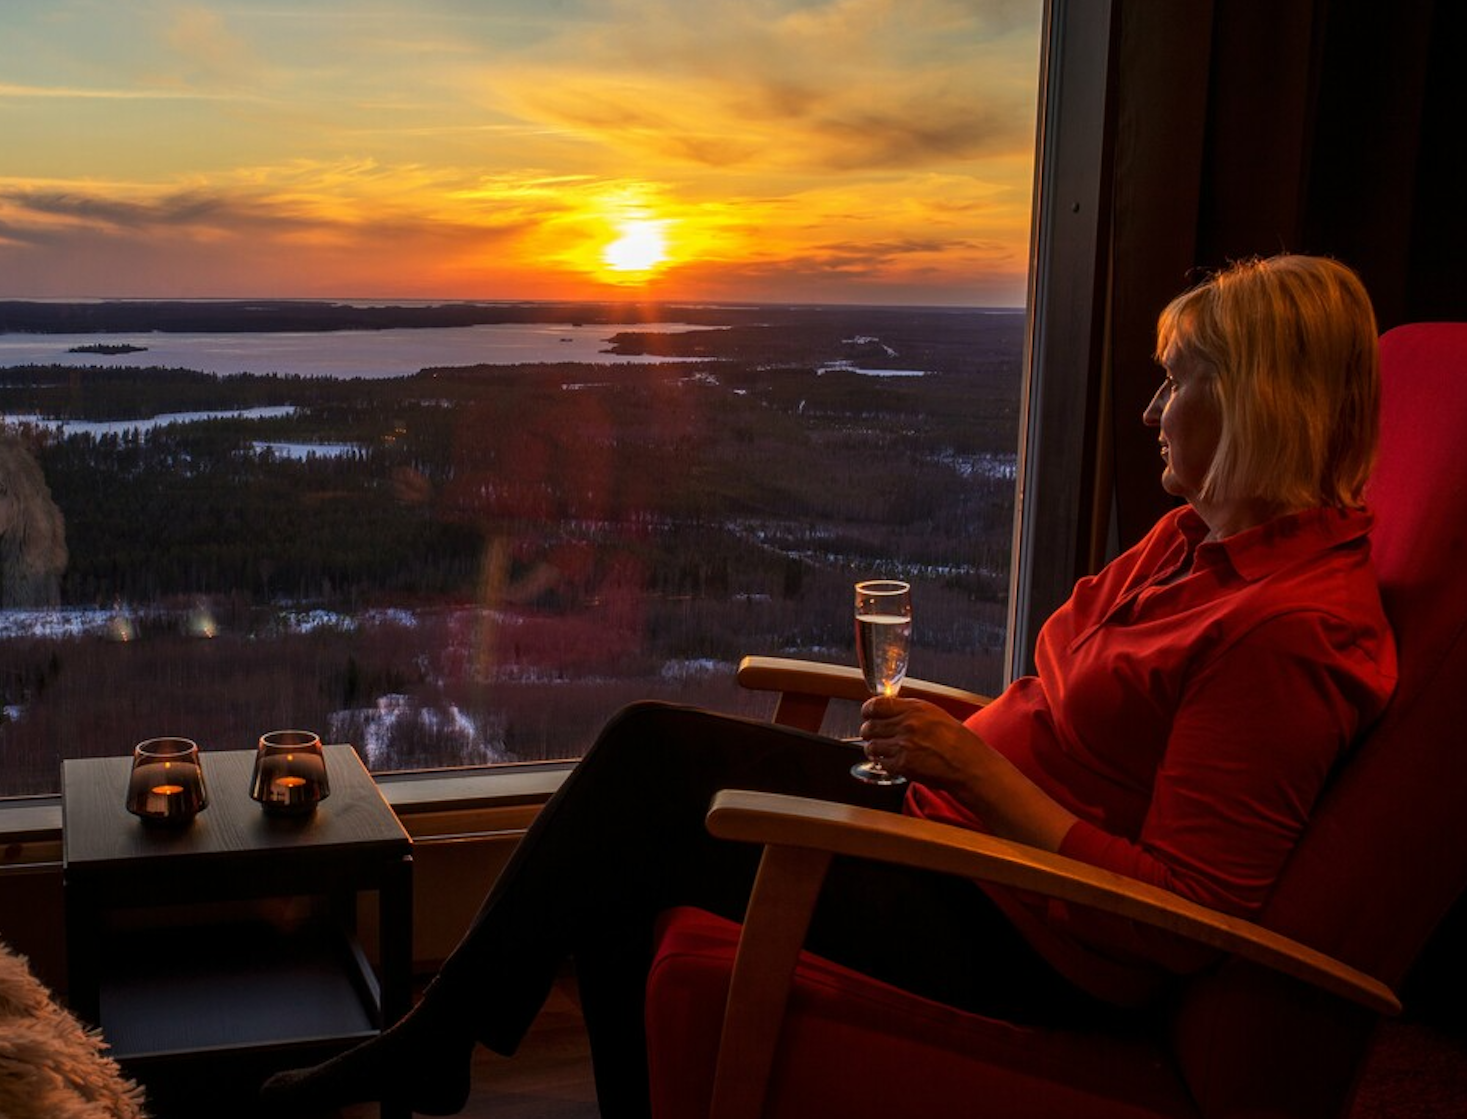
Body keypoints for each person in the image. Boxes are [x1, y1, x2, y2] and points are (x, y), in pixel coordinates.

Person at [259, 254, 1398, 1118]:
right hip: (959, 831)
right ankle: (451, 1043)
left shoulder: (1286, 635)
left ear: (1255, 400)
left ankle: (438, 1040)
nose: (1149, 411)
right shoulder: (1197, 539)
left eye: (1175, 384)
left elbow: (1184, 921)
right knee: (644, 767)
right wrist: (966, 761)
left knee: (648, 795)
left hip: (1028, 935)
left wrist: (971, 768)